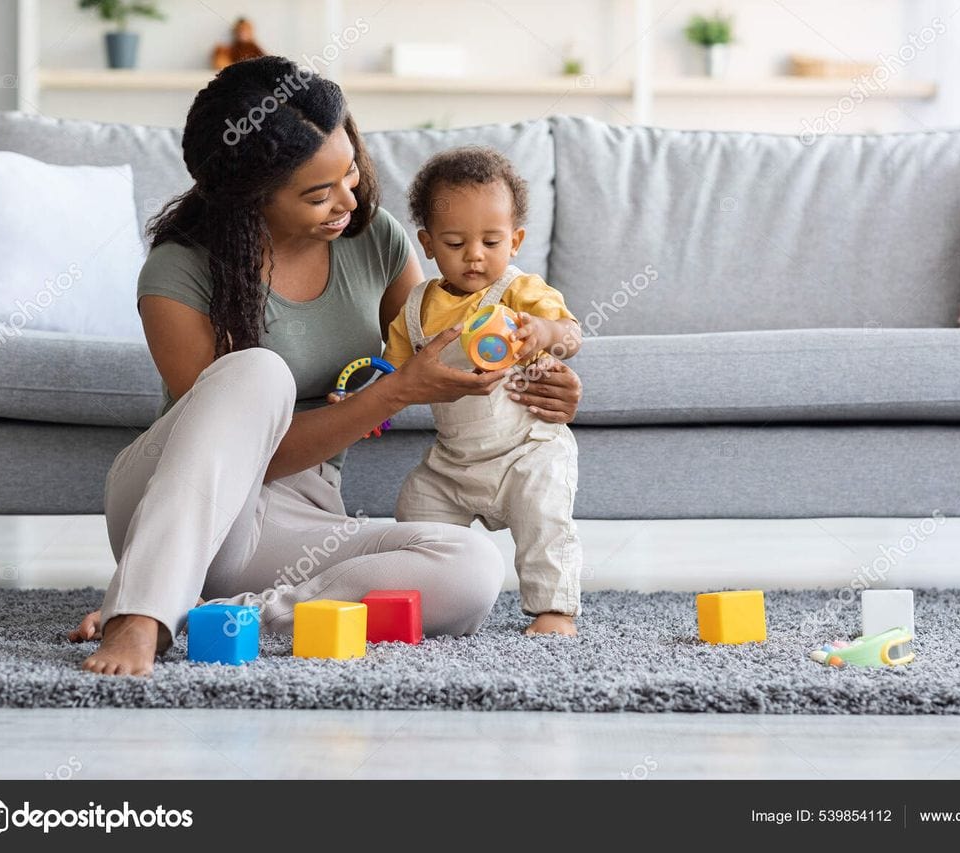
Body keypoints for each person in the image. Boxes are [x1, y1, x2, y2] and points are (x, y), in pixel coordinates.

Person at [67, 56, 582, 675]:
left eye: (350, 174)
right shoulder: (179, 270)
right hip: (182, 502)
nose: (349, 200)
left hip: (301, 517)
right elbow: (243, 452)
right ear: (248, 198)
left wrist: (538, 378)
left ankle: (227, 614)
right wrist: (395, 395)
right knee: (256, 371)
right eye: (319, 193)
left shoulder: (377, 240)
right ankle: (140, 614)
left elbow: (443, 342)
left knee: (472, 568)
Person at [382, 147, 583, 636]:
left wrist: (544, 334)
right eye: (455, 242)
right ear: (427, 244)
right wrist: (368, 408)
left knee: (544, 516)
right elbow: (392, 377)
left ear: (514, 241)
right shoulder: (414, 310)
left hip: (526, 451)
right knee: (415, 507)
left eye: (491, 241)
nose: (475, 254)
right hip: (453, 461)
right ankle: (421, 600)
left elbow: (571, 332)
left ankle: (552, 609)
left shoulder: (519, 291)